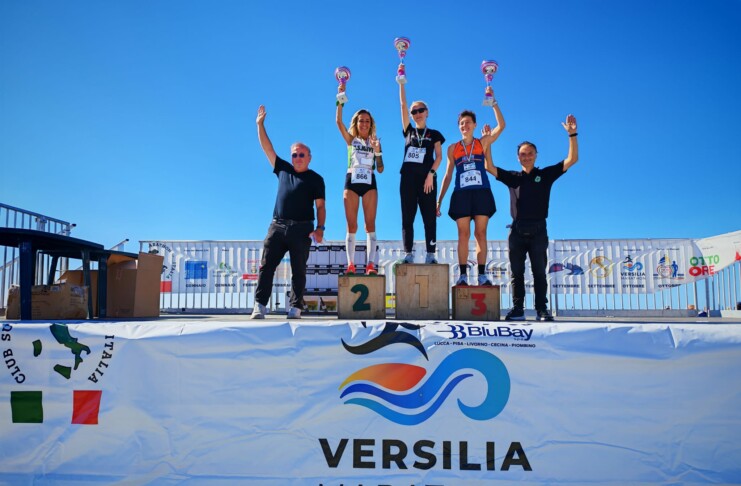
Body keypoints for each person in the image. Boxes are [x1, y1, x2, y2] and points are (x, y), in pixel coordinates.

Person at [488, 114, 579, 321]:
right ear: (517, 157)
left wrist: (572, 134)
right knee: (516, 273)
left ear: (536, 155)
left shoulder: (545, 175)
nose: (526, 156)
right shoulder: (513, 177)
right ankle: (517, 309)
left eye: (530, 153)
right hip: (516, 230)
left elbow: (572, 159)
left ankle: (541, 310)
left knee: (539, 272)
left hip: (538, 229)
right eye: (523, 154)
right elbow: (489, 166)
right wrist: (489, 142)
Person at [251, 105, 326, 320]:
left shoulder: (316, 179)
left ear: (309, 157)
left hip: (302, 229)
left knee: (298, 270)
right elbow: (267, 148)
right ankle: (259, 306)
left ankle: (295, 308)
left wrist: (320, 228)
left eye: (302, 154)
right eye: (294, 154)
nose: (297, 157)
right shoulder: (283, 169)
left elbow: (320, 206)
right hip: (278, 226)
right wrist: (260, 125)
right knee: (266, 266)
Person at [437, 87, 505, 286]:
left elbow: (501, 126)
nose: (464, 125)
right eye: (461, 123)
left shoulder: (482, 143)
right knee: (463, 234)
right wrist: (439, 201)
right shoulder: (453, 148)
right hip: (461, 194)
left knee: (481, 233)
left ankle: (482, 275)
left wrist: (493, 103)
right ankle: (463, 275)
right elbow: (448, 175)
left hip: (481, 192)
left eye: (467, 122)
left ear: (474, 125)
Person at [397, 63, 445, 264]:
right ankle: (408, 254)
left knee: (429, 218)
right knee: (407, 217)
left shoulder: (434, 134)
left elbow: (439, 157)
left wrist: (430, 175)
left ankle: (430, 254)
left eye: (420, 110)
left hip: (427, 181)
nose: (417, 113)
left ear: (427, 112)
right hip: (408, 179)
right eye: (414, 111)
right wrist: (401, 83)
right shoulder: (408, 131)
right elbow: (402, 105)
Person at [336, 83, 384, 275]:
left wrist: (378, 151)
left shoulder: (375, 142)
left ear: (371, 124)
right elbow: (338, 122)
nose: (364, 123)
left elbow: (380, 169)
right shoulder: (351, 140)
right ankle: (351, 264)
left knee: (370, 225)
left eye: (367, 121)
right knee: (352, 225)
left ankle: (370, 265)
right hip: (352, 181)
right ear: (356, 123)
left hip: (369, 183)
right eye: (361, 121)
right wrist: (340, 98)